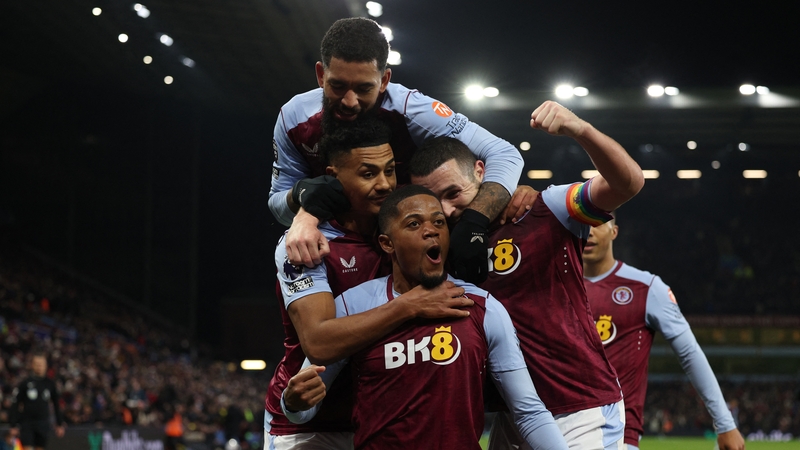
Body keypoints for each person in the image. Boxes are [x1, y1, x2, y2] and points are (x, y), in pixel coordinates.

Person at [409, 101, 645, 450]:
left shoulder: (545, 209)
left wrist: (580, 129)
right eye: (434, 200)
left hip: (580, 409)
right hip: (513, 418)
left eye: (453, 193)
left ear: (480, 171)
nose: (446, 209)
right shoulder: (436, 246)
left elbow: (628, 184)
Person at [281, 185, 569, 450]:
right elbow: (302, 408)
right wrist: (292, 401)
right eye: (414, 224)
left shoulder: (482, 307)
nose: (431, 231)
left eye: (439, 222)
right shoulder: (353, 304)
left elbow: (528, 411)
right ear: (387, 243)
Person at [265, 116, 471, 450]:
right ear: (333, 177)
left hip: (385, 422)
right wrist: (408, 305)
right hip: (311, 424)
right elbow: (319, 343)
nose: (385, 184)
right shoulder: (306, 243)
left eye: (389, 170)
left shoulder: (408, 225)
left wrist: (512, 193)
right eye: (368, 174)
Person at [270, 17, 524, 283]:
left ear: (384, 80)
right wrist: (300, 203)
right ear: (321, 75)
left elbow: (504, 154)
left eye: (364, 88)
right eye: (338, 85)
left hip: (415, 256)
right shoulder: (293, 117)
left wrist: (475, 220)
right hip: (336, 253)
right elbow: (278, 203)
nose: (349, 101)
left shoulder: (414, 110)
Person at [582, 215, 746, 450]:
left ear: (614, 231)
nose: (589, 232)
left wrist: (725, 423)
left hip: (615, 436)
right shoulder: (552, 285)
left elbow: (690, 353)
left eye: (597, 224)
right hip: (556, 430)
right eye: (582, 224)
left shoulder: (647, 288)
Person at [8, 353, 65, 450]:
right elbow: (15, 403)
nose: (39, 367)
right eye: (37, 364)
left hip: (43, 423)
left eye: (41, 364)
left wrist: (59, 424)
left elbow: (56, 404)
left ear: (46, 365)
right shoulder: (25, 383)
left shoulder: (50, 384)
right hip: (27, 424)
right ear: (32, 365)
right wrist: (13, 424)